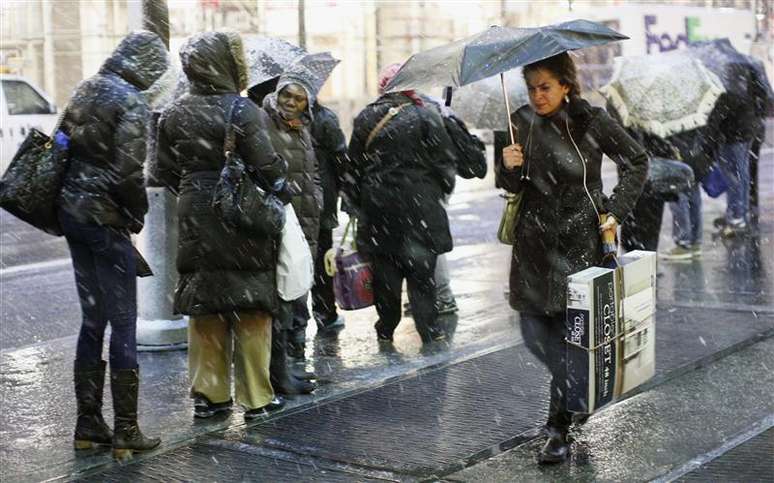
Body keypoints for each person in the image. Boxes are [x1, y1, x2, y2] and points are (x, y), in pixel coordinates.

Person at [497, 53, 647, 463]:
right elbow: (509, 184)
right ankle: (574, 392)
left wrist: (614, 209)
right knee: (533, 332)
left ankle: (558, 428)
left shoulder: (590, 121)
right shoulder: (517, 122)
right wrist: (507, 166)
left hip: (581, 243)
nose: (537, 95)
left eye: (545, 86)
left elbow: (637, 160)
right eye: (531, 88)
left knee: (567, 339)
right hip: (532, 246)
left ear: (565, 85)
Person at [156, 31, 287, 421]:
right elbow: (267, 166)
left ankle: (209, 396)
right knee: (250, 302)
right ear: (229, 65)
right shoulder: (243, 110)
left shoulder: (172, 112)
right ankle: (256, 397)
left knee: (205, 301)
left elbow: (162, 169)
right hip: (239, 207)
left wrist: (196, 185)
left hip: (194, 208)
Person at [57, 30, 167, 459]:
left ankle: (88, 424)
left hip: (73, 212)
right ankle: (126, 431)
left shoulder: (87, 88)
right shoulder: (133, 102)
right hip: (104, 218)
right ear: (147, 68)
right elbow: (127, 172)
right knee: (123, 321)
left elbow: (60, 145)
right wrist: (136, 211)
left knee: (92, 318)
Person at [347, 63, 458, 344]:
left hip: (379, 213)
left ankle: (386, 327)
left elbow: (352, 168)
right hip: (420, 210)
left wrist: (361, 201)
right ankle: (429, 329)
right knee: (422, 278)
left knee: (386, 276)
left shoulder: (366, 118)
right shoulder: (425, 115)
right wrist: (436, 190)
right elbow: (445, 162)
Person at [258, 75, 322, 393]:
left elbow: (312, 172)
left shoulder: (304, 127)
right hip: (282, 217)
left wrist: (318, 198)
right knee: (283, 293)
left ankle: (293, 363)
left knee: (299, 289)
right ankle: (281, 371)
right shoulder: (264, 122)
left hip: (305, 219)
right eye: (287, 95)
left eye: (299, 98)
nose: (291, 102)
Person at [310, 100, 348, 333]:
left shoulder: (272, 115)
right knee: (322, 260)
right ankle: (325, 313)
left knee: (291, 259)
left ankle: (293, 321)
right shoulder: (323, 118)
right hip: (320, 199)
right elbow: (340, 158)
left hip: (292, 198)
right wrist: (344, 187)